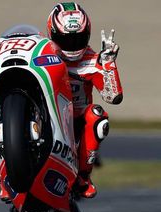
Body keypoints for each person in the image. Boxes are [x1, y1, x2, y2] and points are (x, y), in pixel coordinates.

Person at [47, 2, 123, 198]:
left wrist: (108, 64)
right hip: (46, 114)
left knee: (98, 117)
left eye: (78, 39)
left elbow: (113, 97)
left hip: (76, 120)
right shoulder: (42, 54)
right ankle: (5, 175)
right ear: (53, 34)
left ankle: (83, 177)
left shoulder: (93, 59)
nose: (72, 46)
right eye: (66, 40)